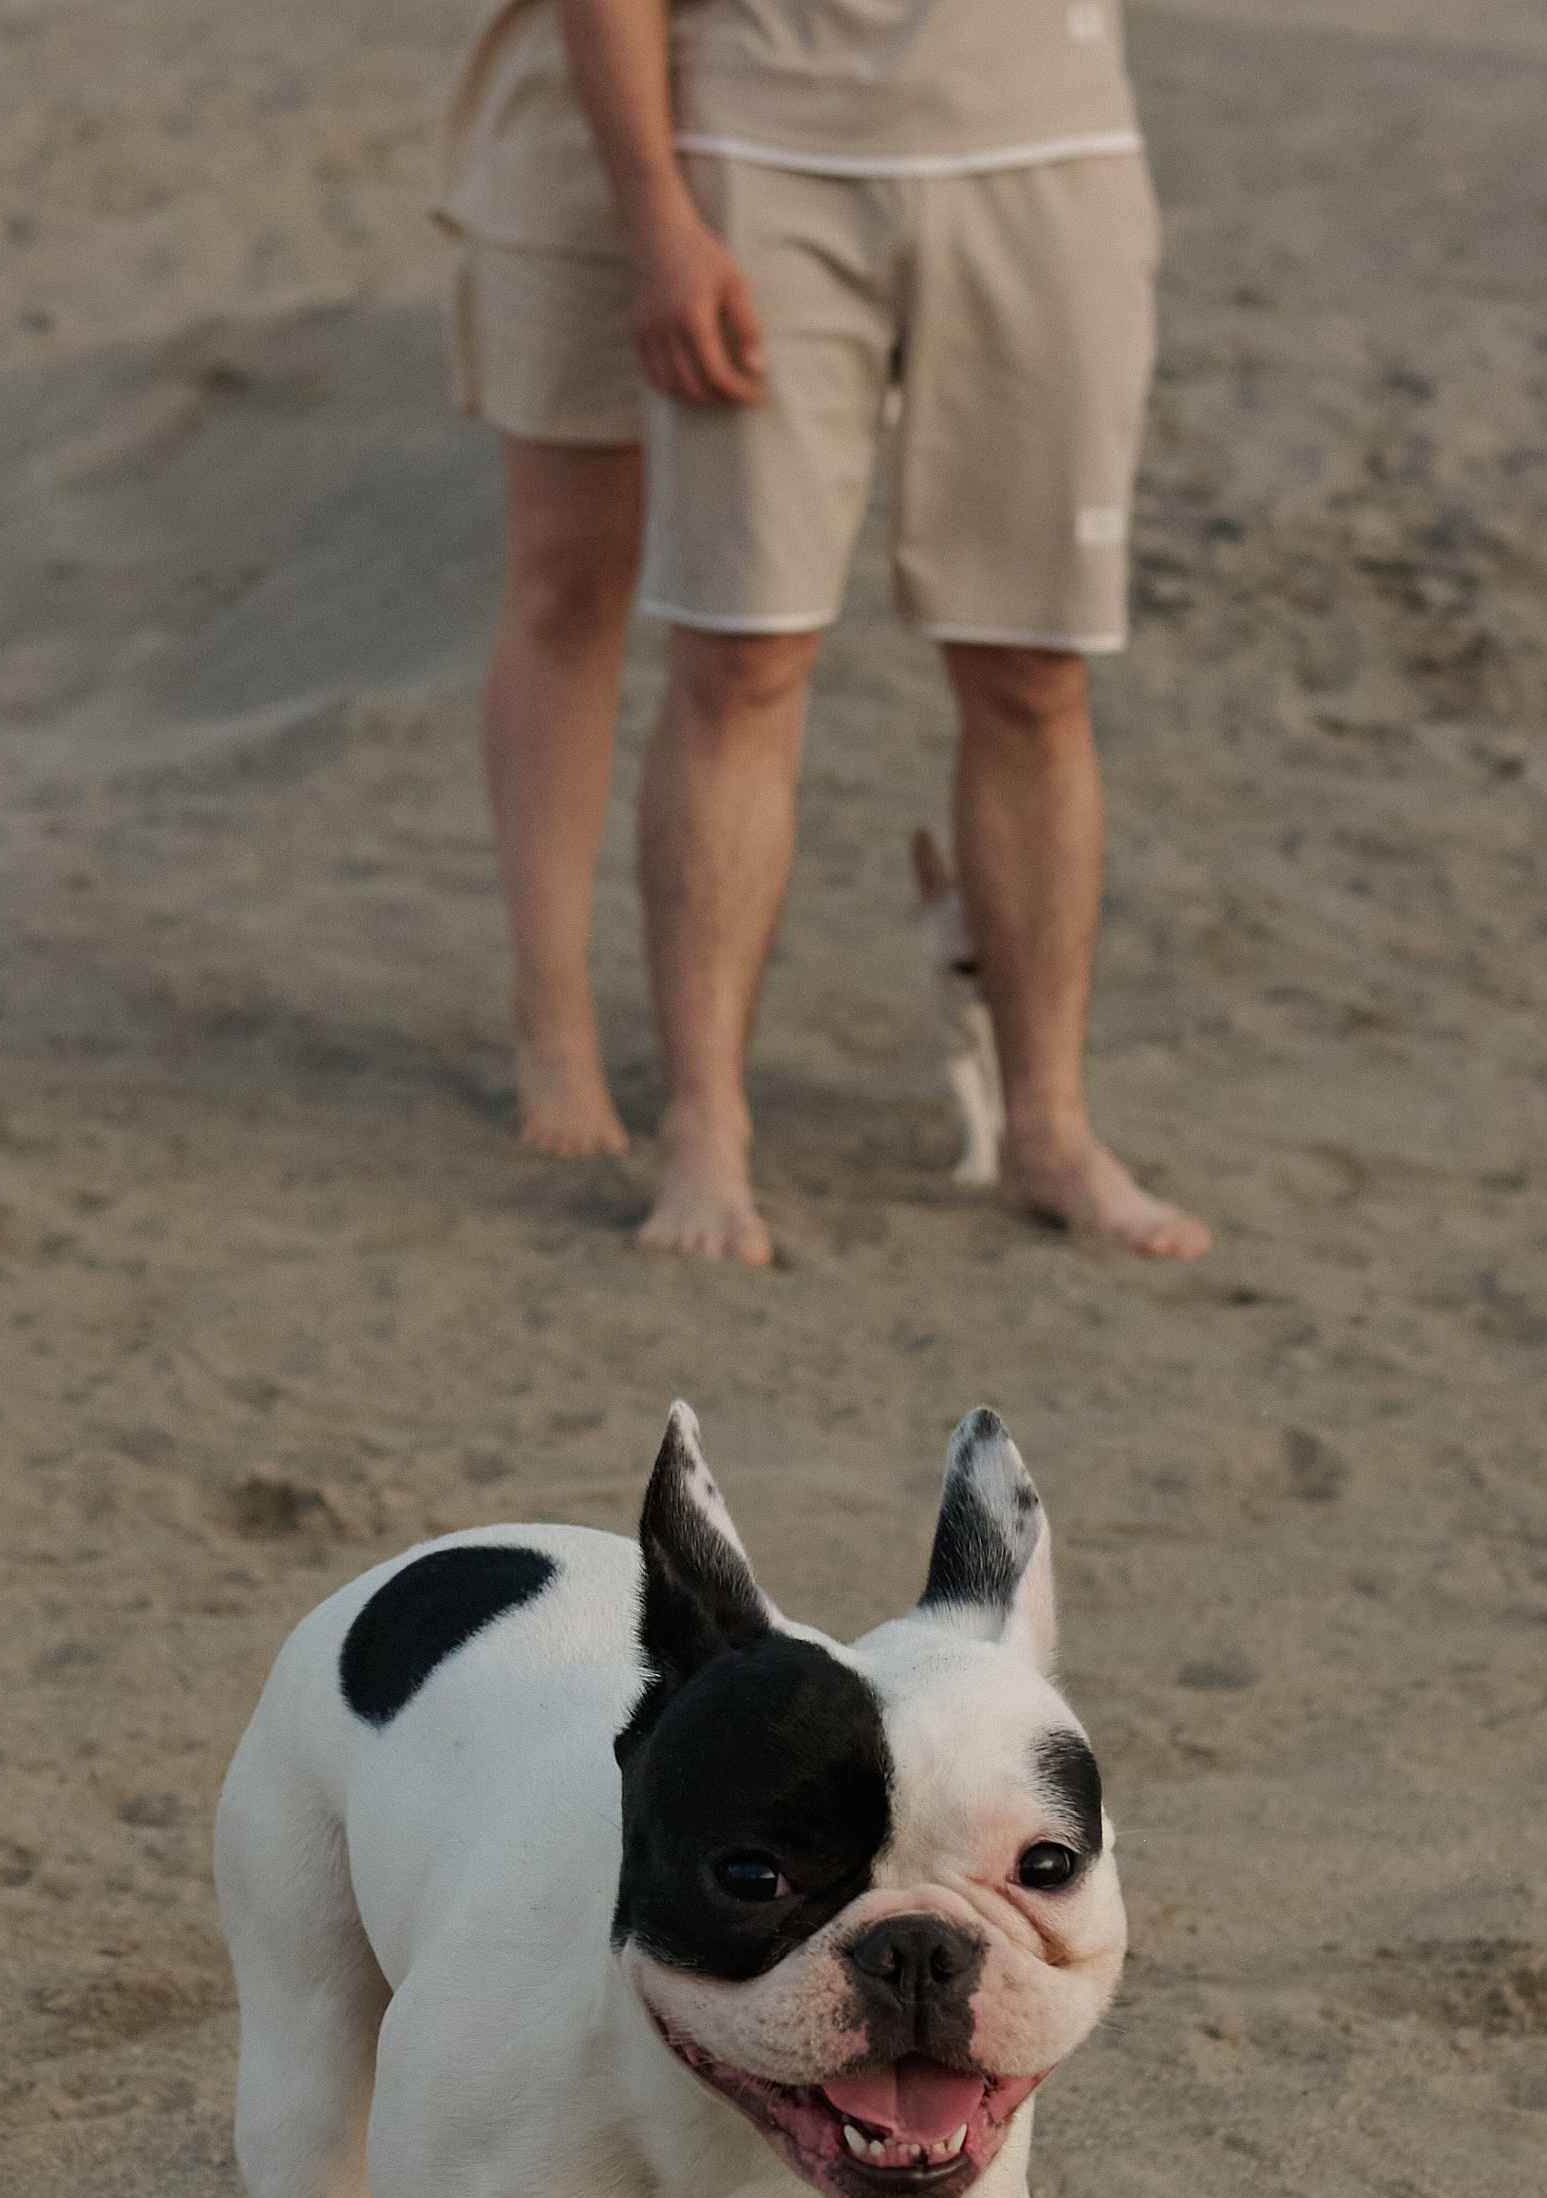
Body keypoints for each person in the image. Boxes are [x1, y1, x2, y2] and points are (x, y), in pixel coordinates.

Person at [557, 0, 1212, 1266]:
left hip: (1046, 150)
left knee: (1032, 671)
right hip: (762, 148)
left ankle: (1049, 1134)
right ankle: (705, 1134)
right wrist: (655, 221)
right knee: (739, 658)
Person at [439, 0, 651, 1153]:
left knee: (767, 631)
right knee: (569, 583)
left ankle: (712, 1047)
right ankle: (553, 1019)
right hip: (575, 119)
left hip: (834, 134)